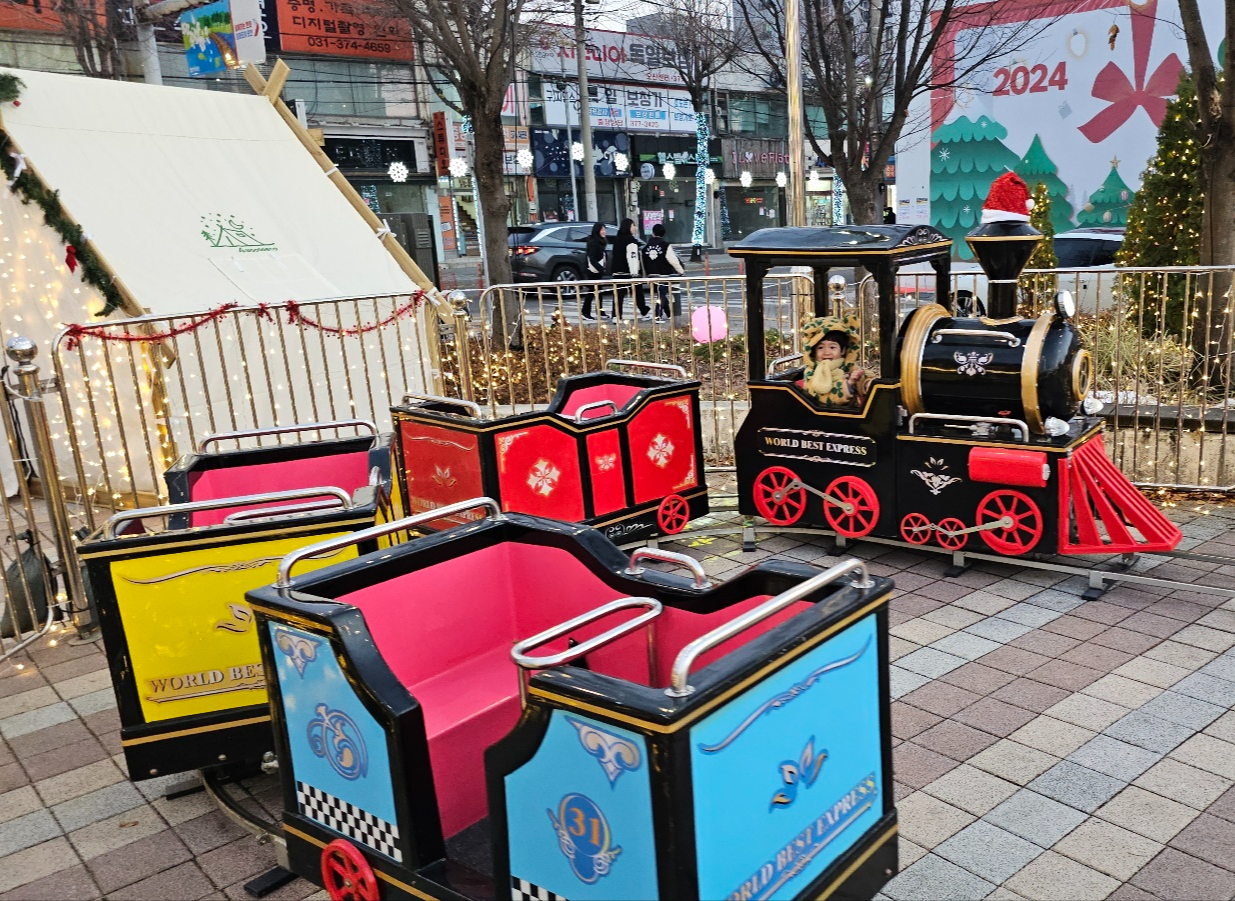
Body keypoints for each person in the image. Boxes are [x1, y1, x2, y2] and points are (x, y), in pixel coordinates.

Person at [801, 314, 869, 407]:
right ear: (814, 351)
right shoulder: (812, 372)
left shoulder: (846, 365)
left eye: (832, 347)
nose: (826, 352)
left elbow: (862, 377)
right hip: (827, 416)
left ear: (842, 351)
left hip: (851, 412)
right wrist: (849, 384)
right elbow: (824, 398)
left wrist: (867, 383)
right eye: (820, 348)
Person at [640, 223, 685, 322]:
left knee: (662, 294)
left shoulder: (646, 247)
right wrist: (681, 271)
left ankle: (669, 313)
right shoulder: (665, 245)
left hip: (651, 274)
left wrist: (644, 275)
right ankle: (657, 315)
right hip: (663, 274)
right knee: (662, 295)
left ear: (653, 233)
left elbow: (643, 262)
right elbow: (673, 260)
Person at [610, 218, 650, 321]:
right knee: (638, 294)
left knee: (618, 295)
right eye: (633, 226)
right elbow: (632, 257)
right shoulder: (630, 240)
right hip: (629, 272)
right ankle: (644, 312)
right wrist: (635, 273)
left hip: (617, 271)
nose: (634, 228)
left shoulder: (617, 239)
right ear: (628, 227)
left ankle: (616, 316)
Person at [582, 222, 611, 322]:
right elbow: (592, 258)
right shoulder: (593, 242)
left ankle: (600, 311)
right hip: (592, 270)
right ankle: (585, 312)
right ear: (597, 230)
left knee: (599, 291)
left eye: (604, 229)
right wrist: (600, 268)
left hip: (597, 270)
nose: (604, 232)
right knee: (592, 291)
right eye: (602, 230)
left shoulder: (601, 241)